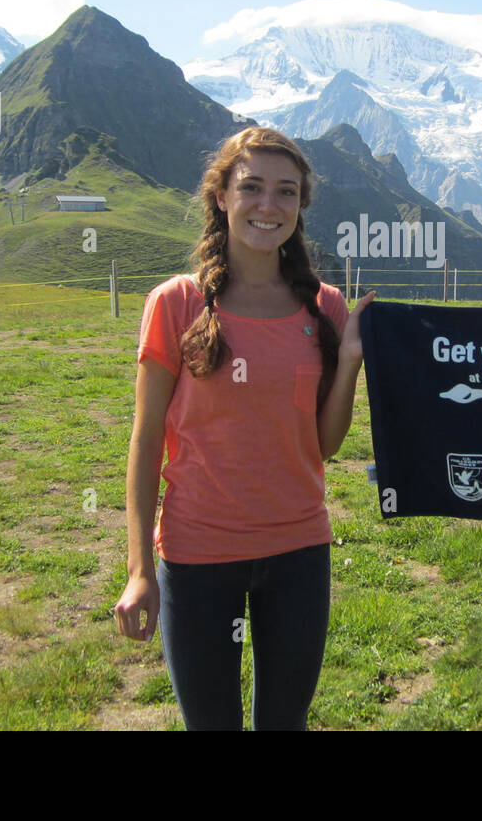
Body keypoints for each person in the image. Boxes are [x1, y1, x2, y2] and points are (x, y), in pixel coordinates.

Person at [113, 126, 373, 730]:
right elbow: (146, 442)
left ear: (300, 205)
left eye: (286, 191)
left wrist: (350, 364)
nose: (268, 205)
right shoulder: (175, 303)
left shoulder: (326, 308)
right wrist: (139, 570)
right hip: (197, 554)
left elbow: (324, 445)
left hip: (299, 551)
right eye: (251, 187)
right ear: (222, 196)